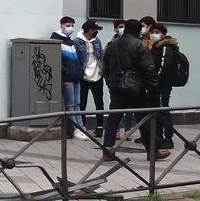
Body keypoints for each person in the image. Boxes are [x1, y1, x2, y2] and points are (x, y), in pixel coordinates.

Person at [102, 20, 165, 160]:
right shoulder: (138, 45)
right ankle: (153, 151)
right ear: (138, 31)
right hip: (135, 86)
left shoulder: (112, 44)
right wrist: (153, 91)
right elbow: (149, 69)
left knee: (113, 118)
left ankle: (107, 150)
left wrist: (110, 82)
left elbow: (105, 66)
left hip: (115, 86)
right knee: (144, 118)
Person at [51, 16, 94, 141]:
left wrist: (80, 71)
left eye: (72, 25)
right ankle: (75, 129)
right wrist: (65, 71)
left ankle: (81, 127)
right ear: (61, 25)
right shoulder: (56, 39)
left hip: (76, 76)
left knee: (77, 103)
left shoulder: (70, 41)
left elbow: (77, 58)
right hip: (67, 78)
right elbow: (56, 59)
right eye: (68, 25)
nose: (70, 28)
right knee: (70, 104)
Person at [150, 23, 182, 150]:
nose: (154, 34)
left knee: (163, 110)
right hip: (156, 85)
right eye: (153, 32)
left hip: (163, 85)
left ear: (163, 34)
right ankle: (157, 137)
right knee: (157, 110)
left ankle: (168, 138)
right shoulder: (156, 47)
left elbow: (164, 66)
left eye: (157, 32)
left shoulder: (166, 47)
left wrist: (155, 81)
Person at [78, 20, 105, 137]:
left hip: (97, 75)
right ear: (89, 30)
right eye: (95, 29)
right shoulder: (77, 42)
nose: (96, 32)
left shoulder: (97, 40)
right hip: (83, 76)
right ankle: (82, 126)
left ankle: (99, 126)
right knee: (81, 103)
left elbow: (101, 55)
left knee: (99, 103)